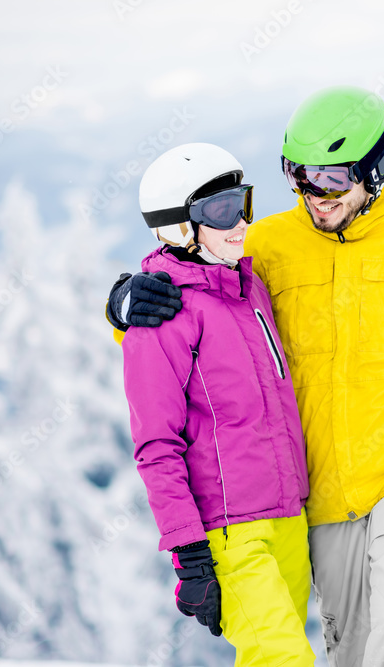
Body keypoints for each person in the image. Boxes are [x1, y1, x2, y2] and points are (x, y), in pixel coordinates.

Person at [108, 88, 384, 666]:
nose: (314, 197)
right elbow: (194, 310)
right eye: (299, 178)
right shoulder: (269, 245)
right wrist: (125, 306)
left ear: (374, 171)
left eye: (330, 179)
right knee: (352, 651)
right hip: (319, 495)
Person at [120, 142, 314, 666]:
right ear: (179, 226)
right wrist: (189, 554)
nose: (240, 222)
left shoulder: (250, 288)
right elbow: (156, 445)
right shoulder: (160, 316)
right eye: (220, 210)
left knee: (281, 651)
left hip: (288, 517)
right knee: (285, 659)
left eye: (242, 202)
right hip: (229, 533)